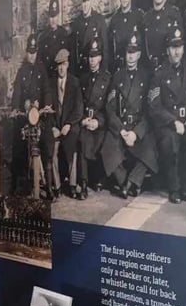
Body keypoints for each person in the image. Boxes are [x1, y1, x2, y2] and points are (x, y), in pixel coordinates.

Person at [148, 25, 186, 204]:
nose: (176, 52)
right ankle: (175, 188)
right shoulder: (159, 73)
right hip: (167, 124)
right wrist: (173, 121)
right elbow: (154, 106)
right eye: (173, 47)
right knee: (170, 142)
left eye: (179, 47)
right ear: (167, 50)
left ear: (183, 48)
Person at [102, 32, 158, 198]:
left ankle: (131, 182)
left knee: (151, 147)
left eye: (134, 53)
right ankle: (124, 181)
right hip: (122, 126)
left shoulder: (147, 76)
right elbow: (110, 107)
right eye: (128, 52)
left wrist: (136, 132)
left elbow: (150, 111)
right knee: (108, 146)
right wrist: (121, 130)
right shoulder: (118, 76)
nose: (130, 56)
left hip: (138, 127)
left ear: (139, 54)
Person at [11, 34, 50, 194]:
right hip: (27, 115)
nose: (32, 55)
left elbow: (47, 90)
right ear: (26, 52)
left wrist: (46, 105)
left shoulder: (42, 69)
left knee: (48, 143)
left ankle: (49, 183)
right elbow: (17, 93)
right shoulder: (22, 72)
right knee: (18, 144)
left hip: (39, 115)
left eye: (34, 52)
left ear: (37, 52)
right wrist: (15, 108)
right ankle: (18, 181)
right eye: (29, 52)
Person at [46, 49, 83, 199]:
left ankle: (73, 185)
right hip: (56, 126)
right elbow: (48, 109)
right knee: (52, 150)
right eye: (59, 65)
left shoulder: (74, 83)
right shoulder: (50, 84)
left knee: (72, 148)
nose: (61, 68)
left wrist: (68, 124)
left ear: (68, 65)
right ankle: (57, 185)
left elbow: (79, 109)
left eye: (64, 64)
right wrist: (53, 126)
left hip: (69, 126)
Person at [78, 37, 111, 196]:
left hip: (100, 122)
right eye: (90, 57)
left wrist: (98, 122)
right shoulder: (82, 79)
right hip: (85, 120)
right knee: (83, 139)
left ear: (100, 58)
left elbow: (108, 107)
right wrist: (83, 119)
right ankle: (83, 182)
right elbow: (79, 104)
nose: (92, 60)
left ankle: (99, 178)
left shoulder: (107, 78)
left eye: (95, 56)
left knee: (102, 140)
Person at [144, 0, 184, 69]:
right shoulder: (147, 17)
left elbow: (179, 43)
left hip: (169, 68)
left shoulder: (174, 13)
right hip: (150, 67)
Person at [70, 0, 108, 77]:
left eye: (87, 0)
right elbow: (73, 53)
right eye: (83, 1)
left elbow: (105, 50)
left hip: (95, 71)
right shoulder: (77, 23)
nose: (85, 4)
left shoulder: (99, 21)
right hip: (81, 72)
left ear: (92, 0)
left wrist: (102, 75)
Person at [108, 0, 144, 73]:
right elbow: (111, 49)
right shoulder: (114, 20)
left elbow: (144, 46)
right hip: (119, 69)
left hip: (136, 68)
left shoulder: (139, 16)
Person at [38, 0, 72, 78]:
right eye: (51, 17)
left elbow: (69, 58)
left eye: (55, 16)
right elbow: (40, 60)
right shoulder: (43, 37)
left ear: (58, 16)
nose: (53, 20)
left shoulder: (64, 34)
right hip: (47, 76)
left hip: (60, 76)